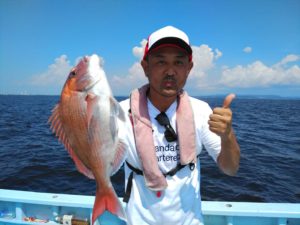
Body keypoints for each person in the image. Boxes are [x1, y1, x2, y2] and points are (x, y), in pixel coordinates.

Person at [118, 25, 240, 225]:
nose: (170, 71)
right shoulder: (121, 114)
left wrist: (227, 135)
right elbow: (99, 166)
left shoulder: (201, 111)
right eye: (160, 62)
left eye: (179, 62)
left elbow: (230, 169)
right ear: (145, 67)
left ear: (188, 68)